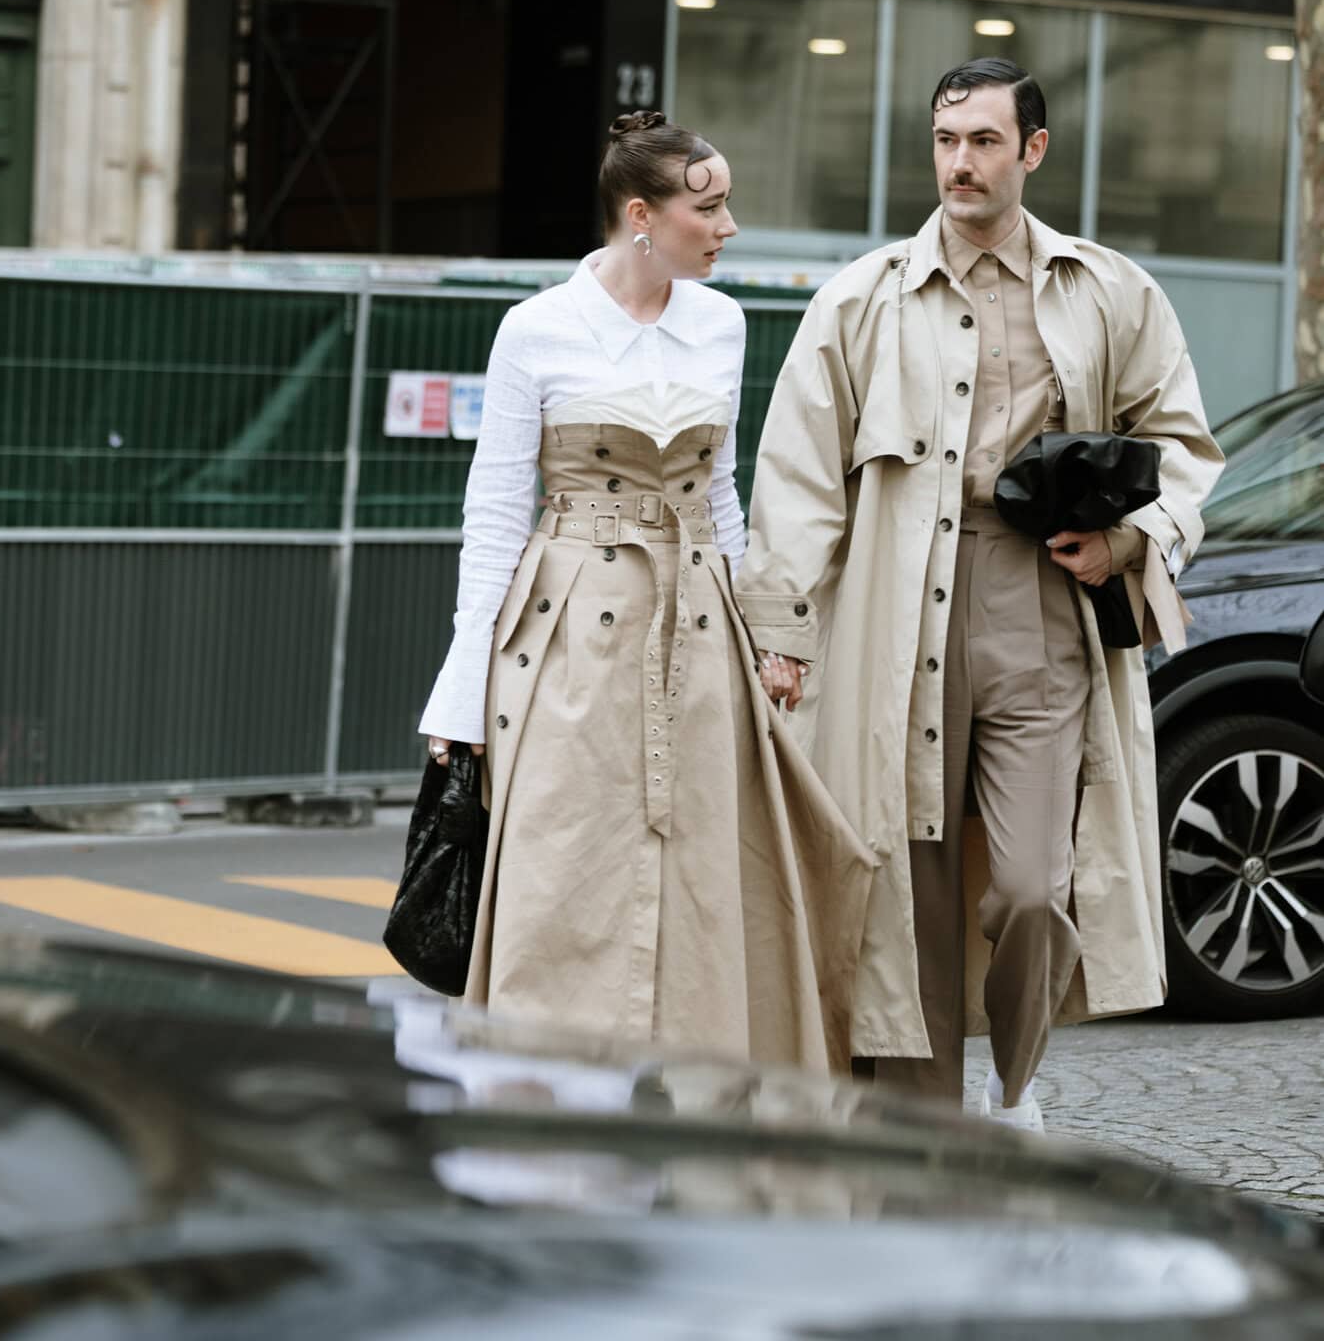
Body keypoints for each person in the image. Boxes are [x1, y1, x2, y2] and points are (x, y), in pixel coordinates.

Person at [737, 59, 1223, 1130]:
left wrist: (1129, 538)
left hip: (1040, 607)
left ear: (1032, 152)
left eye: (985, 141)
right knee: (903, 888)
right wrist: (784, 631)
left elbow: (1184, 443)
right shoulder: (858, 299)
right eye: (946, 139)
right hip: (890, 612)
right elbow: (800, 479)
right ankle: (917, 1131)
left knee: (1031, 888)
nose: (960, 161)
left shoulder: (1108, 289)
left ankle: (1014, 1080)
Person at [417, 111, 874, 1074]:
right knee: (559, 870)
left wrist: (769, 636)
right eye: (708, 207)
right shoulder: (536, 329)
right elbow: (495, 515)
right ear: (642, 216)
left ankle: (703, 1113)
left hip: (702, 631)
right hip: (569, 636)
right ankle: (541, 1118)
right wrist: (461, 695)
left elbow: (722, 495)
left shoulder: (723, 322)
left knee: (709, 879)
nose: (729, 226)